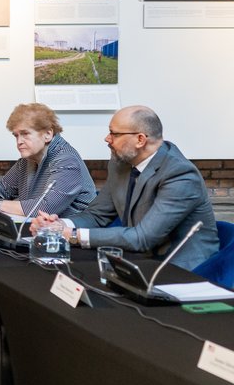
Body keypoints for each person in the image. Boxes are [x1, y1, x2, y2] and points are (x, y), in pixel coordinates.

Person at [32, 105, 219, 270]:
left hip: (181, 268)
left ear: (140, 140)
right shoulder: (120, 163)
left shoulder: (180, 175)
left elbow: (143, 237)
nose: (107, 139)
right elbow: (97, 215)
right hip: (136, 259)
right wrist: (59, 226)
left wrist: (73, 235)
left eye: (114, 133)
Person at [0, 103, 95, 217]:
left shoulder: (67, 160)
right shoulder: (27, 160)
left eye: (25, 134)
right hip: (42, 229)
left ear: (47, 134)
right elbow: (3, 186)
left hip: (71, 233)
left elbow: (45, 207)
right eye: (16, 135)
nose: (19, 141)